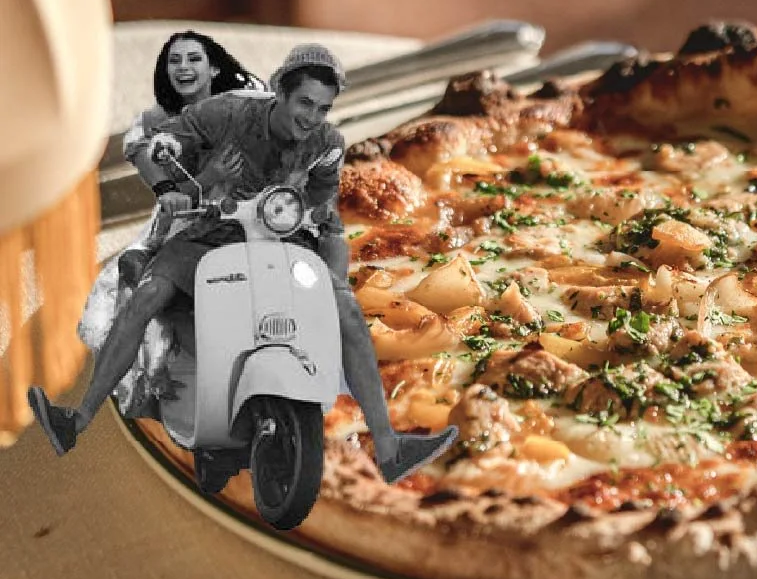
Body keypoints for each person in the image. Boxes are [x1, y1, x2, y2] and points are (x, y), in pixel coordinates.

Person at [29, 44, 455, 486]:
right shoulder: (227, 113)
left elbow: (326, 205)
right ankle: (76, 419)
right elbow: (174, 137)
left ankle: (388, 447)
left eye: (323, 108)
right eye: (305, 103)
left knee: (346, 310)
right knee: (148, 296)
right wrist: (174, 167)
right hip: (207, 235)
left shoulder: (328, 143)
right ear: (278, 92)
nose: (312, 117)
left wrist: (321, 238)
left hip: (283, 242)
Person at [78, 33, 266, 410]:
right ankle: (145, 381)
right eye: (174, 61)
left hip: (252, 223)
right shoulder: (156, 125)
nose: (183, 68)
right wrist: (208, 178)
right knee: (149, 288)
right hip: (188, 227)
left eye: (193, 59)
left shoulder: (246, 107)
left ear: (213, 66)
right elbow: (170, 198)